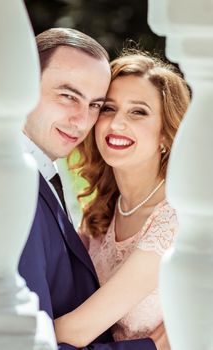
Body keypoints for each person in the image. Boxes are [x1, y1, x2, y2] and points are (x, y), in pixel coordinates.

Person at [19, 28, 163, 350]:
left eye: (96, 104)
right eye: (68, 96)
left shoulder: (49, 178)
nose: (82, 120)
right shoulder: (14, 186)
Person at [54, 51, 191, 347]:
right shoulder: (104, 207)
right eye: (108, 109)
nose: (116, 124)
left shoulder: (176, 220)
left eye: (138, 112)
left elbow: (78, 330)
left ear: (166, 134)